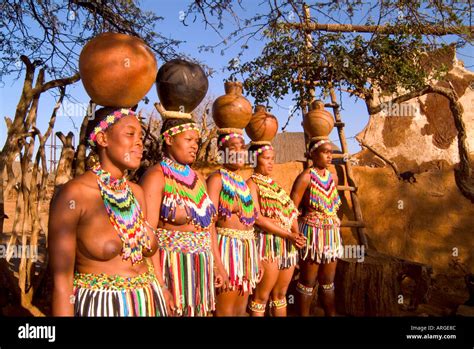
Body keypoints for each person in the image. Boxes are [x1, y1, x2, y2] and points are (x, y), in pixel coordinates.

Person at [49, 107, 173, 316]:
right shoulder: (74, 195)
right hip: (102, 307)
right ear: (102, 138)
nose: (139, 142)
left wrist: (161, 288)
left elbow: (147, 256)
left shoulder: (136, 192)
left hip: (149, 303)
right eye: (130, 134)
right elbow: (62, 284)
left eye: (141, 136)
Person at [140, 116, 224, 316]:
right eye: (189, 140)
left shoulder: (199, 179)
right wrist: (160, 286)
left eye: (196, 141)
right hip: (171, 270)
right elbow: (147, 236)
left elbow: (209, 226)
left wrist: (217, 265)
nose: (195, 146)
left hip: (202, 266)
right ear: (169, 140)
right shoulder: (155, 177)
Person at [246, 142, 306, 316]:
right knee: (261, 297)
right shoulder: (251, 184)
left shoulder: (275, 185)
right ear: (254, 159)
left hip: (287, 246)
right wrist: (289, 234)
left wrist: (297, 234)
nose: (271, 163)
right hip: (268, 245)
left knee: (280, 295)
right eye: (266, 158)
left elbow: (291, 212)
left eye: (272, 159)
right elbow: (257, 218)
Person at [206, 130, 262, 316]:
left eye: (242, 148)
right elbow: (209, 224)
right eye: (233, 148)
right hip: (226, 251)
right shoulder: (216, 179)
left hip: (247, 252)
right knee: (225, 311)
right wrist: (217, 265)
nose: (239, 152)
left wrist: (257, 259)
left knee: (240, 310)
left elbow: (251, 223)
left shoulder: (244, 184)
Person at [290, 138, 342, 316]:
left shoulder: (333, 177)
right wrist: (296, 236)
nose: (330, 156)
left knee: (328, 281)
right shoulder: (305, 177)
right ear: (313, 154)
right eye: (325, 152)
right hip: (311, 236)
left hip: (331, 235)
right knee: (307, 281)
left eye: (331, 152)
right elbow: (291, 210)